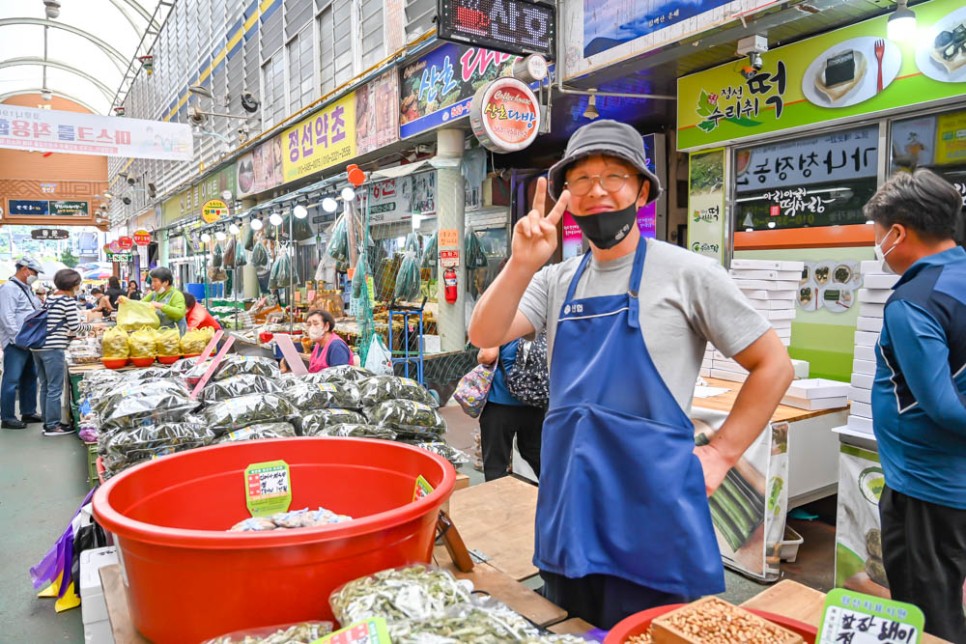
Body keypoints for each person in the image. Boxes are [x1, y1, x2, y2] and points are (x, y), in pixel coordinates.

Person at [467, 120, 793, 628]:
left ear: (642, 190)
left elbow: (773, 365)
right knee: (572, 627)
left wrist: (723, 453)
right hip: (572, 505)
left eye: (614, 176)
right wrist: (520, 264)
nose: (597, 190)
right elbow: (485, 332)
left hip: (653, 510)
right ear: (566, 196)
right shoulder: (555, 280)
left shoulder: (690, 273)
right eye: (581, 179)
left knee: (656, 632)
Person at [865, 169, 966, 642]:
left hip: (927, 488)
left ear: (898, 233)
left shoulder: (914, 300)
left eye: (878, 234)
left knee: (930, 610)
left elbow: (942, 406)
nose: (878, 244)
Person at [32, 269, 100, 437]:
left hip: (38, 347)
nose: (79, 287)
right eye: (78, 284)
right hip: (53, 348)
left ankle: (48, 422)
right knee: (54, 387)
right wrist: (95, 327)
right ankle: (53, 426)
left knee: (46, 386)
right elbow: (75, 327)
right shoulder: (67, 301)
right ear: (73, 285)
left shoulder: (51, 299)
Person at [476, 341, 544, 481]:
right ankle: (557, 495)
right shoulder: (542, 322)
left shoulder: (500, 323)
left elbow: (488, 356)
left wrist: (480, 355)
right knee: (537, 454)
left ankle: (498, 500)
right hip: (536, 402)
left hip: (501, 402)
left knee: (496, 462)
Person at [0, 257, 43, 430]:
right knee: (11, 380)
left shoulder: (27, 289)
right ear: (25, 269)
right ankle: (8, 416)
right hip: (15, 343)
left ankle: (28, 411)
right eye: (34, 272)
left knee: (30, 377)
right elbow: (6, 316)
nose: (36, 276)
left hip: (28, 341)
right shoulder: (9, 289)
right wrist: (16, 338)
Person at [127, 267, 187, 334]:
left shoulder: (176, 295)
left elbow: (180, 313)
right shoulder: (154, 294)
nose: (152, 284)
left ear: (166, 282)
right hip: (157, 336)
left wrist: (161, 306)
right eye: (152, 281)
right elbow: (140, 304)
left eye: (155, 281)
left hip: (172, 338)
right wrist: (126, 302)